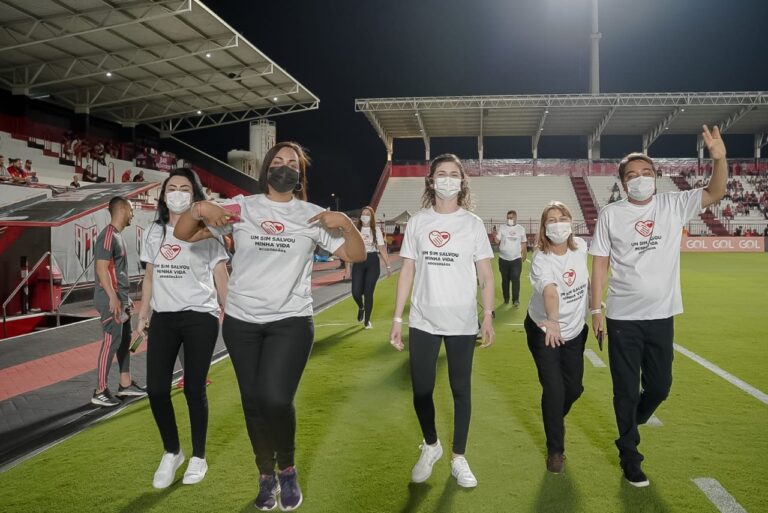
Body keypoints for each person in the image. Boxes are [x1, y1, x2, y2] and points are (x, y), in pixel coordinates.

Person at [174, 141, 365, 511]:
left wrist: (347, 224)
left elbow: (355, 254)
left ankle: (287, 467)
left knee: (275, 398)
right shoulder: (241, 208)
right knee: (252, 403)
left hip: (291, 320)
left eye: (291, 163)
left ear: (300, 175)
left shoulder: (313, 215)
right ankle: (265, 474)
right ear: (265, 169)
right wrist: (199, 207)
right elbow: (184, 233)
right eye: (277, 161)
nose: (284, 167)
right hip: (242, 322)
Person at [589, 125, 727, 487]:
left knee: (660, 386)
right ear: (622, 183)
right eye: (631, 176)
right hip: (622, 317)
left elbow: (716, 190)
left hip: (662, 315)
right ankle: (630, 456)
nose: (639, 180)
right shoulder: (611, 215)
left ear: (656, 177)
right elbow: (600, 263)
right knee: (625, 390)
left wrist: (719, 158)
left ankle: (633, 422)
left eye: (646, 173)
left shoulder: (673, 204)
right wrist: (596, 309)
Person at [389, 153, 495, 488]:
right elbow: (407, 271)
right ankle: (432, 445)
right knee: (421, 390)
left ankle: (458, 458)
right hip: (423, 319)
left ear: (462, 181)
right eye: (441, 173)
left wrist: (488, 315)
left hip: (463, 322)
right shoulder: (418, 222)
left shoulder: (473, 224)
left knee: (460, 390)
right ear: (431, 180)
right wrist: (396, 318)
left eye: (454, 174)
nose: (448, 179)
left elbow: (486, 276)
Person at [137, 168, 229, 489]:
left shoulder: (208, 232)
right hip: (164, 317)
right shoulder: (153, 232)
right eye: (172, 188)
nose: (177, 193)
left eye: (185, 188)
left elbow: (220, 275)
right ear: (163, 195)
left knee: (193, 388)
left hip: (200, 317)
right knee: (156, 390)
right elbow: (149, 276)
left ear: (195, 195)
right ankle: (172, 451)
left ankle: (198, 457)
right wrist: (142, 314)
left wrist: (229, 311)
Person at [524, 201, 589, 474]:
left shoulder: (582, 248)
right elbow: (550, 292)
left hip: (574, 330)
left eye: (562, 218)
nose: (558, 223)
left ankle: (553, 416)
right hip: (544, 330)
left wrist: (596, 311)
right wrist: (552, 321)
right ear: (544, 227)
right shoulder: (541, 259)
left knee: (573, 389)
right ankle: (555, 451)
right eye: (551, 220)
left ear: (571, 222)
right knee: (554, 390)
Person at [91, 197, 147, 407]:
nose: (133, 214)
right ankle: (100, 390)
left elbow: (117, 271)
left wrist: (125, 299)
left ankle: (125, 384)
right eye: (131, 209)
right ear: (122, 209)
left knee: (124, 341)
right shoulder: (107, 236)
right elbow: (101, 269)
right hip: (109, 299)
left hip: (119, 299)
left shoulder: (117, 236)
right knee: (110, 342)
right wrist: (114, 298)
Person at [351, 206, 391, 329]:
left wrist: (388, 265)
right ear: (360, 216)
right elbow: (350, 248)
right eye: (363, 213)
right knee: (356, 292)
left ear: (371, 216)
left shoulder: (376, 230)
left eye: (368, 214)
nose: (365, 216)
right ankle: (361, 307)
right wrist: (347, 267)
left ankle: (367, 321)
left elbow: (382, 249)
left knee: (369, 292)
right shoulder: (355, 229)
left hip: (372, 261)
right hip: (358, 260)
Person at [494, 209, 527, 306]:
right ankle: (506, 298)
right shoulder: (502, 227)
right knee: (505, 280)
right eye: (508, 218)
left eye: (511, 218)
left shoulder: (521, 229)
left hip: (516, 259)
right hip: (503, 259)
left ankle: (515, 300)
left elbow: (523, 242)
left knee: (516, 279)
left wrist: (524, 254)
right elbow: (497, 241)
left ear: (516, 217)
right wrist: (495, 235)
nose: (509, 219)